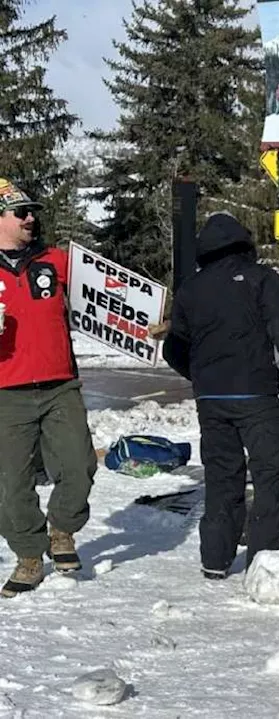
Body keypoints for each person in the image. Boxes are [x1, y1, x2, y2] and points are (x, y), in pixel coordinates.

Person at [163, 212, 279, 578]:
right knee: (269, 475)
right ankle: (264, 559)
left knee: (221, 476)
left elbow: (173, 349)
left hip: (212, 401)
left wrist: (202, 379)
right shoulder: (262, 279)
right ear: (243, 243)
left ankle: (215, 560)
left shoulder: (190, 288)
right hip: (257, 396)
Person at [0, 180, 97, 597]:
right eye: (20, 212)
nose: (30, 218)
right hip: (6, 392)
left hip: (60, 384)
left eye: (31, 211)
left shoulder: (56, 259)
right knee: (11, 483)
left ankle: (62, 529)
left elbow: (106, 303)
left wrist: (151, 325)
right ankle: (28, 554)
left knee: (80, 464)